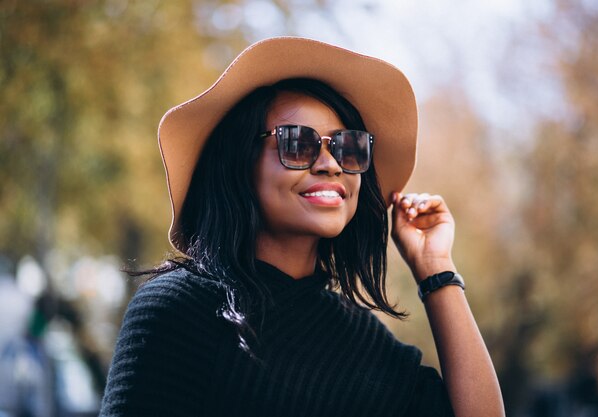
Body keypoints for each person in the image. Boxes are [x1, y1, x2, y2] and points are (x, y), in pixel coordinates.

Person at [99, 37, 505, 417]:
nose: (329, 163)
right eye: (297, 142)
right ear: (240, 161)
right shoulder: (176, 310)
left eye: (347, 147)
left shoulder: (364, 343)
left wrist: (436, 271)